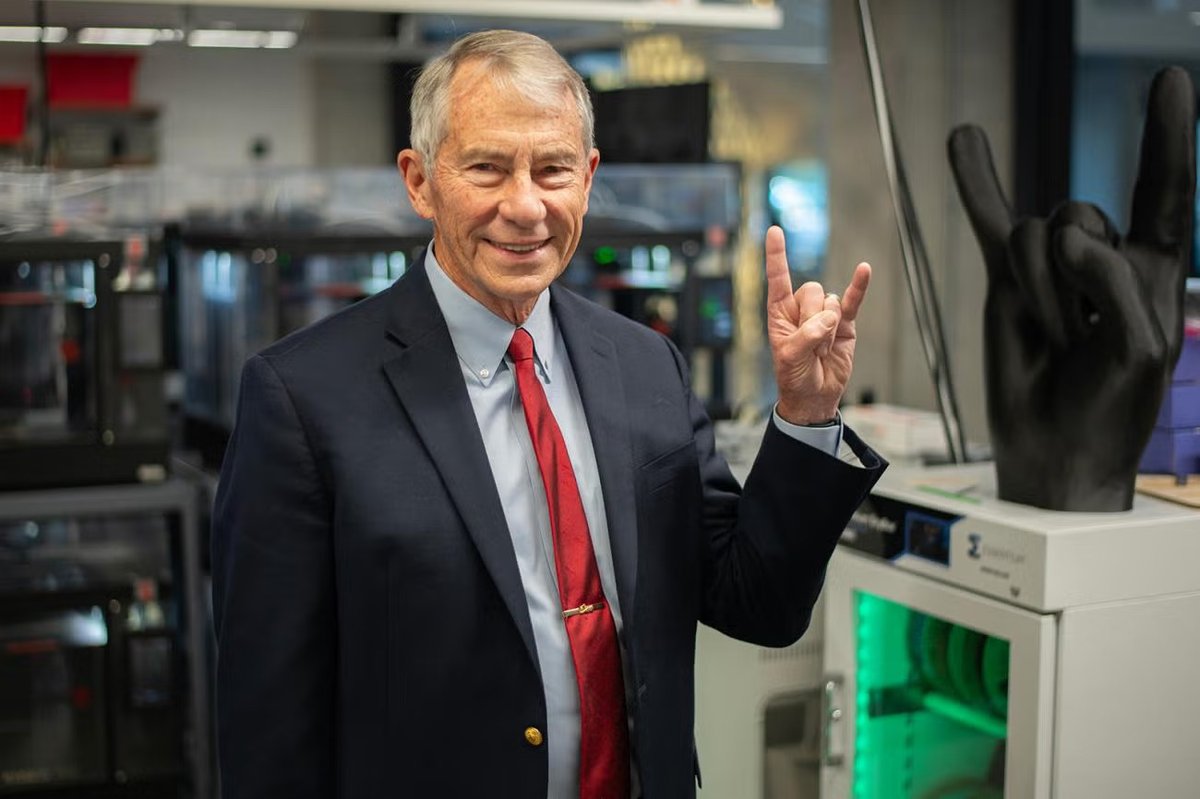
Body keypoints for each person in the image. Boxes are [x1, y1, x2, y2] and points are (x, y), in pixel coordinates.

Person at [211, 29, 885, 799]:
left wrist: (804, 412)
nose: (525, 206)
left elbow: (756, 602)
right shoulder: (303, 399)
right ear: (420, 180)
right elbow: (269, 723)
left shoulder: (643, 365)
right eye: (487, 168)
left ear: (589, 178)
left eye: (553, 168)